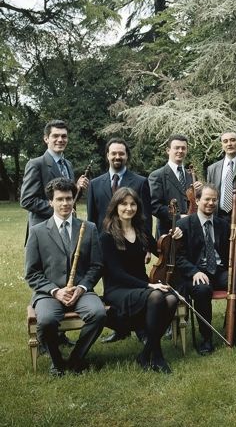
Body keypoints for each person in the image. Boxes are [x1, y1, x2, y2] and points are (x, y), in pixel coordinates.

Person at [24, 178, 105, 376]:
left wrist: (81, 288)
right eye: (59, 199)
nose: (65, 203)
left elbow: (96, 266)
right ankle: (57, 362)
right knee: (47, 320)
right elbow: (32, 273)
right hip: (49, 293)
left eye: (69, 198)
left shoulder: (89, 228)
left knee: (99, 313)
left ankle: (76, 359)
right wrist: (55, 291)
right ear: (50, 202)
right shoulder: (37, 232)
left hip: (80, 291)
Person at [101, 187, 180, 373]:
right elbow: (116, 273)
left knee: (171, 298)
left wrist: (174, 237)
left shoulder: (141, 231)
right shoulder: (107, 236)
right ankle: (157, 355)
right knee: (157, 297)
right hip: (118, 289)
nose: (129, 208)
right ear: (115, 206)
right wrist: (149, 285)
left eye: (132, 204)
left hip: (142, 287)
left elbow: (162, 251)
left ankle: (146, 353)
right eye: (124, 204)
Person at [87, 138, 154, 343]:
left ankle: (142, 330)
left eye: (121, 153)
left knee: (135, 280)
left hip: (133, 242)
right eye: (113, 153)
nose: (117, 157)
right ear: (107, 155)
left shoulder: (140, 182)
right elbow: (92, 218)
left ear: (127, 156)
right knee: (114, 285)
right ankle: (121, 329)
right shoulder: (95, 184)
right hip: (106, 245)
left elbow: (146, 216)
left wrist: (149, 247)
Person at [175, 184, 236, 355]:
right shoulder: (184, 224)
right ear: (197, 200)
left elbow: (229, 252)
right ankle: (206, 338)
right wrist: (194, 272)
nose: (211, 203)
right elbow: (178, 258)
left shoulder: (223, 224)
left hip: (219, 270)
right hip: (197, 272)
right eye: (207, 199)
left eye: (214, 200)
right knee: (202, 290)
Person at [21, 119, 90, 240]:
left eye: (64, 136)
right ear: (46, 139)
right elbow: (27, 200)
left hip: (67, 230)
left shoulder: (68, 164)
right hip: (44, 231)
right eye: (55, 136)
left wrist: (77, 189)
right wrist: (59, 210)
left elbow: (68, 200)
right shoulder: (36, 164)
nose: (60, 140)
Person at [149, 134, 198, 237]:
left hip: (190, 232)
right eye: (176, 148)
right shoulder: (157, 176)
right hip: (168, 233)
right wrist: (179, 217)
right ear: (168, 150)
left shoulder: (192, 176)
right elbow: (154, 206)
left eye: (183, 148)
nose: (180, 151)